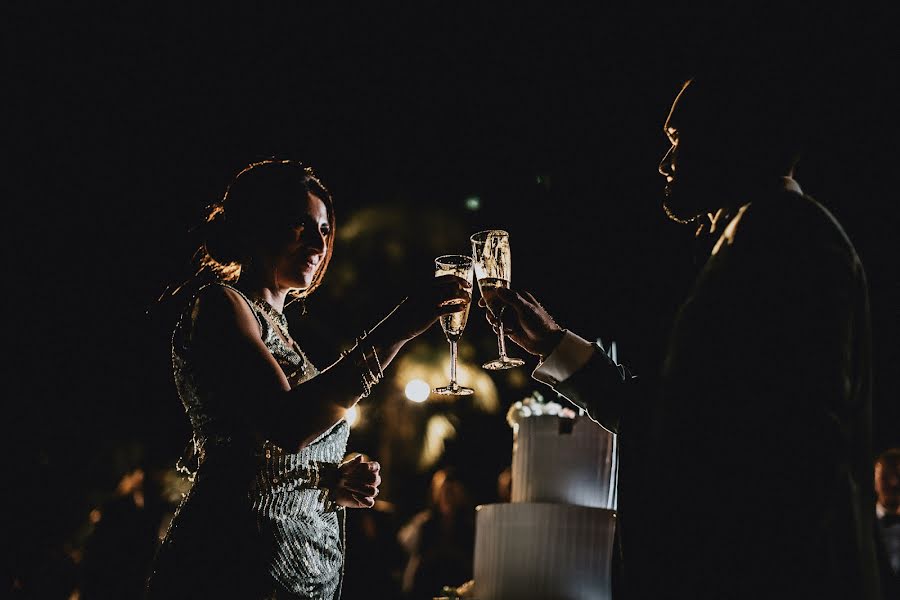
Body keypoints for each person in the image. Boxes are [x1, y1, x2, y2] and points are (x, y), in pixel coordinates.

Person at [484, 66, 882, 599]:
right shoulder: (759, 238)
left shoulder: (791, 242)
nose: (665, 162)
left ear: (732, 139)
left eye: (678, 139)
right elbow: (682, 414)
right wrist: (552, 344)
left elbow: (781, 452)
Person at [145, 159, 470, 599]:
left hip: (301, 571)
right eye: (300, 224)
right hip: (231, 562)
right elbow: (287, 424)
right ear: (257, 225)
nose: (318, 242)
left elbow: (271, 453)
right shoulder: (221, 305)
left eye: (323, 229)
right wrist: (401, 326)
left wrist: (327, 478)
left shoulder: (286, 336)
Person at [397, 467, 476, 599]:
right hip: (426, 587)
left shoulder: (468, 527)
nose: (448, 497)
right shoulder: (424, 523)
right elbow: (406, 546)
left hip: (457, 586)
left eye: (452, 493)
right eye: (444, 492)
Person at [875, 448, 900, 597]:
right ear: (874, 482)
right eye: (885, 477)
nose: (894, 483)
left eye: (898, 475)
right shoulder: (858, 527)